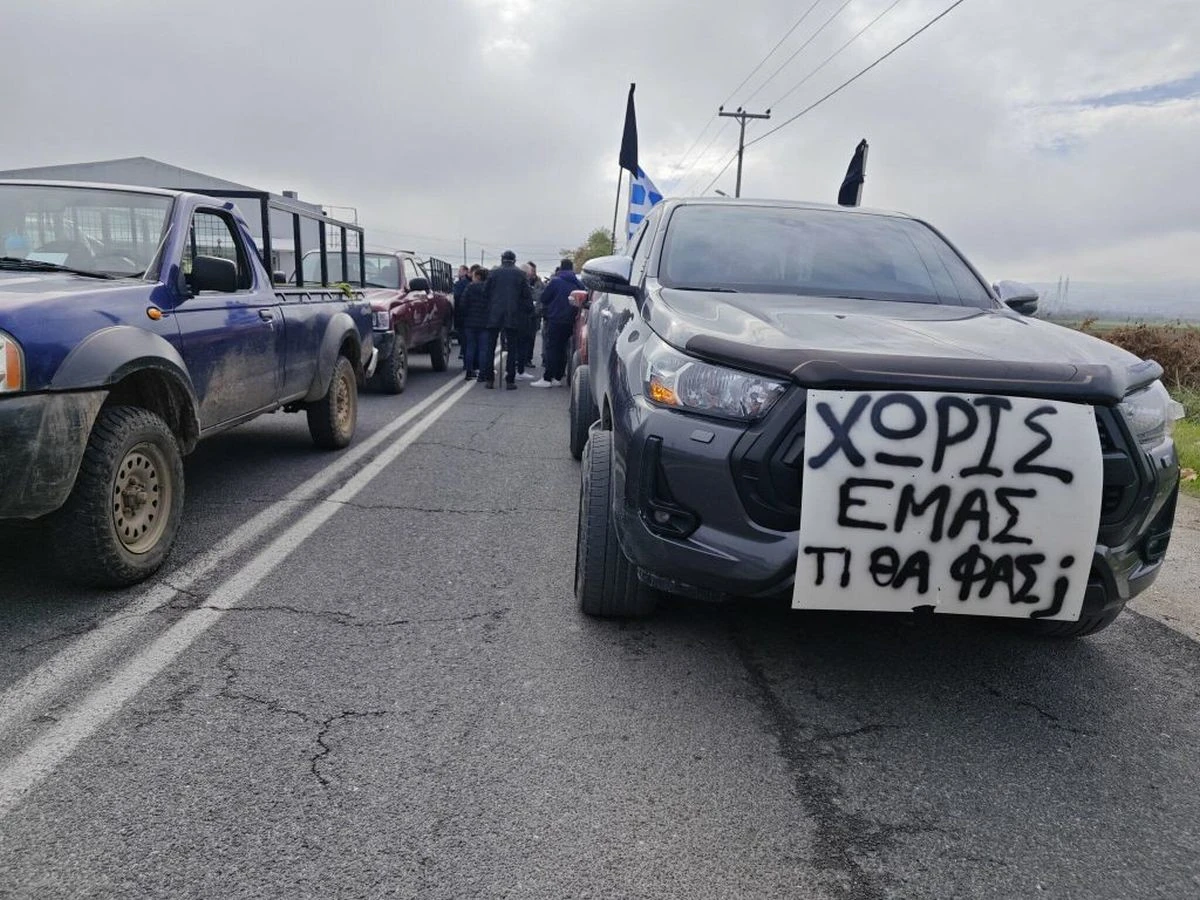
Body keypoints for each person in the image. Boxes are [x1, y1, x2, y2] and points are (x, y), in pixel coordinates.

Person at [530, 259, 585, 388]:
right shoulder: (578, 283)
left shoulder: (555, 282)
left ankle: (547, 377)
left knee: (552, 348)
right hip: (571, 320)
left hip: (555, 318)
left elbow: (544, 298)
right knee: (563, 349)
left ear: (561, 268)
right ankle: (558, 377)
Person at [484, 250, 533, 390]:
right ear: (514, 260)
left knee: (490, 347)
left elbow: (485, 292)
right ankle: (510, 380)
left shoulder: (493, 273)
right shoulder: (520, 274)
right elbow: (526, 296)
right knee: (512, 348)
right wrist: (528, 311)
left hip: (494, 314)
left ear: (502, 259)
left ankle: (489, 379)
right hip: (513, 314)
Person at [460, 266, 491, 383]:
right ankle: (482, 374)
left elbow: (463, 304)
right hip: (485, 323)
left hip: (470, 323)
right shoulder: (489, 289)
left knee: (470, 347)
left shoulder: (470, 288)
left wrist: (465, 317)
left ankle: (469, 372)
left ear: (477, 276)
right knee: (483, 349)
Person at [516, 262, 544, 378]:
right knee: (520, 340)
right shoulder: (520, 282)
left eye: (532, 271)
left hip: (534, 315)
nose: (531, 273)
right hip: (522, 315)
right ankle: (519, 362)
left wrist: (537, 311)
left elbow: (540, 297)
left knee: (530, 338)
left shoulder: (538, 283)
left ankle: (528, 359)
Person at [453, 265, 471, 364]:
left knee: (465, 339)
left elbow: (457, 296)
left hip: (462, 315)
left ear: (465, 272)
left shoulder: (461, 284)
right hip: (466, 316)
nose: (458, 273)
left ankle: (466, 360)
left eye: (460, 270)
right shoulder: (468, 283)